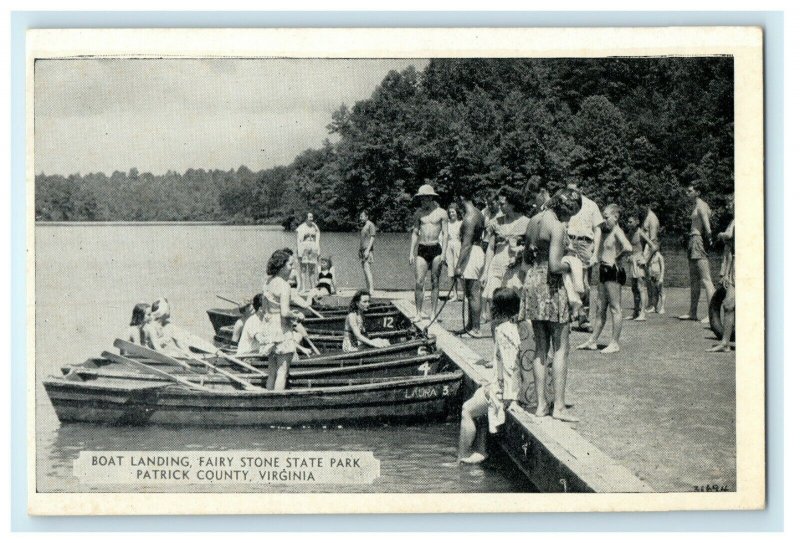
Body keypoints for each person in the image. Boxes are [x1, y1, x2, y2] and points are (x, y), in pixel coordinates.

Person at [520, 188, 582, 421]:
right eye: (571, 213)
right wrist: (573, 263)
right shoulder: (556, 226)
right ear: (565, 209)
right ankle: (558, 407)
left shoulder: (533, 221)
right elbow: (555, 266)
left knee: (540, 348)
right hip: (552, 286)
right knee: (561, 348)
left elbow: (526, 258)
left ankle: (540, 405)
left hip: (533, 281)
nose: (570, 219)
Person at [457, 288, 522, 464]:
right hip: (507, 386)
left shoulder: (502, 330)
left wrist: (511, 398)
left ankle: (461, 457)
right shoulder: (520, 326)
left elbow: (510, 366)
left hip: (505, 391)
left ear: (498, 308)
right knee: (480, 394)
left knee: (467, 410)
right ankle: (481, 449)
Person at [577, 204, 633, 354]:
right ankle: (592, 341)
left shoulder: (617, 231)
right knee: (600, 308)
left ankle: (614, 343)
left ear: (616, 217)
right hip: (603, 270)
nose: (604, 220)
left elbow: (628, 247)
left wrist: (616, 258)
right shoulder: (605, 233)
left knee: (615, 308)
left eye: (606, 217)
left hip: (613, 271)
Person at [481, 186, 530, 317]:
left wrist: (518, 257)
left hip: (516, 266)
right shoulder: (496, 222)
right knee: (494, 298)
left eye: (502, 203)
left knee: (514, 298)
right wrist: (485, 272)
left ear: (513, 203)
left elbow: (529, 249)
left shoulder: (527, 223)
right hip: (497, 264)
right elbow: (490, 248)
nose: (500, 206)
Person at [262, 250, 305, 390]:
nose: (293, 268)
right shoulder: (284, 285)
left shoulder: (267, 282)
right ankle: (276, 404)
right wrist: (297, 315)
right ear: (281, 266)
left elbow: (264, 309)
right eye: (290, 265)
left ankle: (268, 400)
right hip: (281, 329)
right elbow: (285, 312)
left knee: (272, 371)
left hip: (268, 327)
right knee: (282, 371)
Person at [565, 181, 604, 331]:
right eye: (568, 190)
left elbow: (598, 229)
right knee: (567, 280)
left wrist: (595, 253)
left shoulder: (591, 205)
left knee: (584, 284)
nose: (571, 194)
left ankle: (583, 318)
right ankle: (567, 318)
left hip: (585, 244)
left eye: (573, 190)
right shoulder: (565, 205)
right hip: (569, 241)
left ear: (581, 189)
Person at [408, 183, 449, 322]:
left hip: (436, 248)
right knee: (419, 282)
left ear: (431, 198)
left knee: (435, 281)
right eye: (421, 199)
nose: (422, 201)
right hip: (422, 248)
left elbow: (445, 234)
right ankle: (418, 313)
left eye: (425, 198)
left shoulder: (442, 213)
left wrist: (444, 253)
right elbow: (415, 232)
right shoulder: (418, 213)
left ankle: (433, 313)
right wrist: (411, 253)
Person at [679, 183, 716, 322]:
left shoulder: (701, 206)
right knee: (694, 280)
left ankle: (712, 315)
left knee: (706, 279)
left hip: (698, 241)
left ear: (697, 192)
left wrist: (709, 242)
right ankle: (692, 312)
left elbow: (707, 227)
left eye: (690, 191)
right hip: (692, 240)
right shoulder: (697, 205)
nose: (687, 193)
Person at [452, 191, 486, 338]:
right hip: (474, 251)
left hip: (472, 253)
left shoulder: (470, 217)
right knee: (469, 293)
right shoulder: (478, 213)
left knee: (473, 293)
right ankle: (470, 325)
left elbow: (466, 244)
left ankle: (476, 329)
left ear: (461, 198)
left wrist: (458, 265)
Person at [708, 197, 735, 352]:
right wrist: (726, 273)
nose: (729, 207)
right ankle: (725, 343)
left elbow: (729, 237)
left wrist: (720, 235)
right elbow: (732, 251)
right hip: (736, 264)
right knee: (728, 304)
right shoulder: (734, 221)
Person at [624, 211, 657, 321]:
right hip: (632, 261)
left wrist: (645, 260)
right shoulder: (630, 232)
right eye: (627, 222)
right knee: (634, 288)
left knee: (640, 287)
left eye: (630, 222)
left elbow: (654, 246)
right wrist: (628, 256)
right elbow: (628, 247)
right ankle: (636, 312)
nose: (628, 223)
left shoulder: (640, 232)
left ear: (637, 222)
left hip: (639, 260)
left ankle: (643, 313)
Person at [640, 205, 662, 313]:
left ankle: (654, 304)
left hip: (651, 250)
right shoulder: (646, 217)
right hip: (646, 248)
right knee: (648, 278)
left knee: (653, 278)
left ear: (647, 205)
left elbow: (653, 240)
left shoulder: (652, 218)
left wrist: (648, 256)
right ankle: (650, 303)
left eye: (641, 206)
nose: (640, 208)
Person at [296, 212, 321, 294]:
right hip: (304, 248)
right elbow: (298, 241)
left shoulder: (315, 227)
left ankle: (312, 287)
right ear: (306, 218)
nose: (311, 218)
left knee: (312, 268)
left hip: (313, 247)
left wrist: (318, 250)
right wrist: (299, 252)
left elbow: (317, 239)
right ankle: (303, 288)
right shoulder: (301, 227)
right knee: (303, 268)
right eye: (310, 217)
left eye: (312, 217)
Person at [443, 203, 464, 301]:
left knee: (459, 271)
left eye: (453, 212)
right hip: (448, 247)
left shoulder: (461, 223)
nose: (451, 214)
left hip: (458, 246)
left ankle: (465, 295)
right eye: (450, 212)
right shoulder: (446, 223)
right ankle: (454, 295)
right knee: (451, 272)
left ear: (457, 212)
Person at [358, 210, 377, 295]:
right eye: (360, 216)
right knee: (365, 270)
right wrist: (359, 250)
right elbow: (362, 240)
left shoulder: (370, 225)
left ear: (367, 216)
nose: (360, 218)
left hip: (367, 250)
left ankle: (371, 289)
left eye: (362, 216)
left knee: (367, 269)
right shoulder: (364, 226)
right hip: (362, 250)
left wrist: (368, 250)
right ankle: (367, 289)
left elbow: (372, 238)